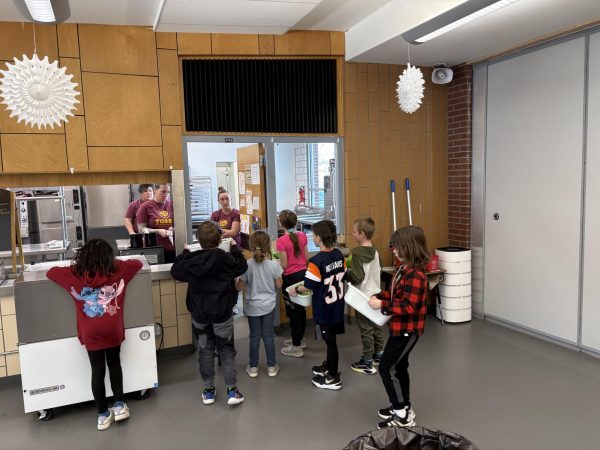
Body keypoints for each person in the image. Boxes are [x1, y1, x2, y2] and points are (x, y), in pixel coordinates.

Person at [46, 239, 143, 431]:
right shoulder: (119, 270)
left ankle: (102, 415)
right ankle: (119, 405)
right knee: (114, 364)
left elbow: (51, 272)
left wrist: (74, 267)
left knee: (97, 371)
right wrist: (115, 264)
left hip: (90, 332)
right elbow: (138, 263)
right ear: (109, 257)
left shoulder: (73, 275)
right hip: (112, 328)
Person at [170, 221, 247, 406]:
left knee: (205, 351)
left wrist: (185, 253)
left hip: (200, 315)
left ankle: (209, 391)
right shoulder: (224, 257)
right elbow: (242, 266)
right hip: (223, 314)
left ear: (199, 240)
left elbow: (175, 270)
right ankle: (232, 390)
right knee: (226, 351)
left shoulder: (192, 259)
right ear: (220, 239)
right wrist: (235, 249)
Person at [367, 225, 429, 429]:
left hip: (407, 330)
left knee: (387, 368)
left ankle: (402, 414)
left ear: (409, 247)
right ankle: (402, 406)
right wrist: (381, 296)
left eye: (397, 247)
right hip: (398, 328)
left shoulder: (416, 276)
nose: (393, 250)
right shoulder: (403, 270)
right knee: (399, 367)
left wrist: (382, 305)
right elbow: (396, 295)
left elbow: (408, 306)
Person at [292, 220, 346, 391]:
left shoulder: (316, 261)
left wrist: (296, 289)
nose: (312, 237)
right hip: (337, 304)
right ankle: (329, 366)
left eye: (314, 235)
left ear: (319, 238)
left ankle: (333, 376)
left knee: (330, 341)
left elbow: (308, 286)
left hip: (324, 308)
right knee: (332, 339)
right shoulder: (339, 254)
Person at [236, 230, 283, 378]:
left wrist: (236, 278)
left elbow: (239, 287)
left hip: (252, 306)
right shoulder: (273, 265)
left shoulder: (247, 265)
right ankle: (271, 366)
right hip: (269, 305)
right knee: (268, 336)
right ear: (268, 245)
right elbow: (279, 284)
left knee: (254, 336)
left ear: (250, 245)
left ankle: (253, 366)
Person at [348, 217, 384, 375]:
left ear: (361, 234)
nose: (352, 233)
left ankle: (367, 362)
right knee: (376, 326)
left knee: (365, 329)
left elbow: (357, 277)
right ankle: (379, 355)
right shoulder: (374, 251)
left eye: (354, 232)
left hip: (363, 297)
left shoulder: (356, 254)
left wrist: (347, 273)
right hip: (375, 294)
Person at [277, 210, 309, 358]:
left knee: (293, 311)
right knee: (300, 310)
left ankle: (296, 347)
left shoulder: (281, 241)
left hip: (290, 279)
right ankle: (299, 339)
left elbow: (284, 264)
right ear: (296, 223)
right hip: (303, 276)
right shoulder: (302, 236)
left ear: (281, 223)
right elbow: (306, 257)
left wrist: (275, 263)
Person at [137, 183, 175, 263]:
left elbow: (180, 224)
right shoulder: (145, 206)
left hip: (172, 248)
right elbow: (141, 229)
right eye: (163, 192)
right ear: (155, 190)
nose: (166, 195)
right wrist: (157, 231)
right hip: (155, 249)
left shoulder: (172, 205)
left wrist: (174, 229)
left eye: (168, 192)